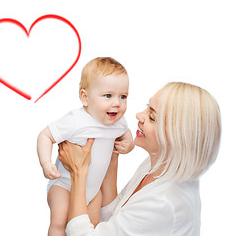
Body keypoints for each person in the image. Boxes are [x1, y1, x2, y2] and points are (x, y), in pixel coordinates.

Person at [58, 82, 221, 236]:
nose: (139, 116)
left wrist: (78, 171)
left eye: (152, 117)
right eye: (147, 107)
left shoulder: (164, 203)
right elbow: (114, 218)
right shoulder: (159, 164)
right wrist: (111, 157)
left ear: (177, 137)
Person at [37, 57, 135, 236]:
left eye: (123, 96)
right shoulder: (76, 120)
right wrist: (45, 163)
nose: (117, 103)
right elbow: (45, 135)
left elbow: (127, 135)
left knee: (92, 227)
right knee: (59, 223)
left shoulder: (118, 122)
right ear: (85, 98)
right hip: (64, 185)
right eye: (108, 95)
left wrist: (129, 146)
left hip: (93, 191)